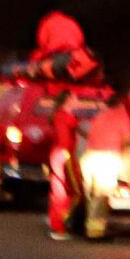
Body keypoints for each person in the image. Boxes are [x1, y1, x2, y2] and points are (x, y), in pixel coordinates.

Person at [81, 91, 130, 241]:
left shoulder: (101, 115)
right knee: (102, 196)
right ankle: (95, 232)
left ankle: (88, 226)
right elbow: (128, 139)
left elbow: (91, 135)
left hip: (89, 157)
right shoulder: (121, 115)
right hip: (106, 158)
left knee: (92, 196)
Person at [44, 92, 81, 240]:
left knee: (60, 190)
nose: (78, 100)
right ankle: (59, 225)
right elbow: (65, 138)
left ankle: (56, 220)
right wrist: (67, 155)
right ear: (68, 100)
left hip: (59, 154)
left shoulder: (60, 115)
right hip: (64, 155)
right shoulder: (63, 116)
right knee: (71, 191)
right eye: (75, 97)